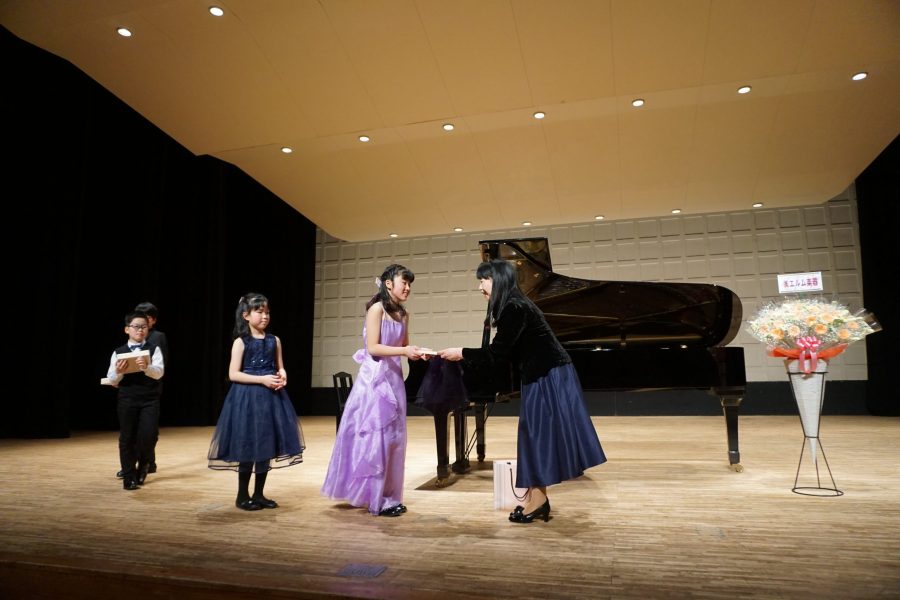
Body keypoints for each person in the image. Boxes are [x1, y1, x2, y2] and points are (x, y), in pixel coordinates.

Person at [438, 259, 607, 524]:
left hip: (548, 376)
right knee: (534, 436)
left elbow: (497, 354)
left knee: (536, 436)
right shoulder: (515, 305)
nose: (480, 287)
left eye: (484, 280)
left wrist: (461, 353)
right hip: (545, 375)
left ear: (499, 280)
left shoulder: (514, 307)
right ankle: (537, 499)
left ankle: (538, 501)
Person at [321, 264, 428, 517]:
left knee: (394, 440)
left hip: (394, 380)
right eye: (404, 282)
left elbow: (403, 345)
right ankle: (376, 498)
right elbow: (373, 348)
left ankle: (390, 496)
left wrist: (417, 352)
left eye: (410, 284)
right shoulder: (377, 309)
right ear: (388, 283)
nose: (408, 288)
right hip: (375, 381)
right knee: (376, 440)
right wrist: (405, 351)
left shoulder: (403, 314)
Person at [208, 293, 305, 511]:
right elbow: (233, 374)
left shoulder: (274, 340)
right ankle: (242, 495)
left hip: (271, 399)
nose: (265, 316)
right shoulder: (241, 342)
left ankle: (259, 494)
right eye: (259, 312)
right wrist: (261, 379)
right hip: (247, 399)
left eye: (267, 312)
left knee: (266, 444)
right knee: (248, 444)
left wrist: (282, 375)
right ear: (246, 315)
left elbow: (280, 366)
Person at [106, 311, 165, 490]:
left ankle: (144, 465)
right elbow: (112, 379)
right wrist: (119, 372)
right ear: (127, 329)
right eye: (136, 326)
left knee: (148, 436)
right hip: (127, 399)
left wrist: (146, 367)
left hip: (149, 399)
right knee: (127, 437)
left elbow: (159, 373)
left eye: (144, 327)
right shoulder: (118, 352)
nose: (140, 330)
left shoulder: (154, 349)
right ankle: (129, 475)